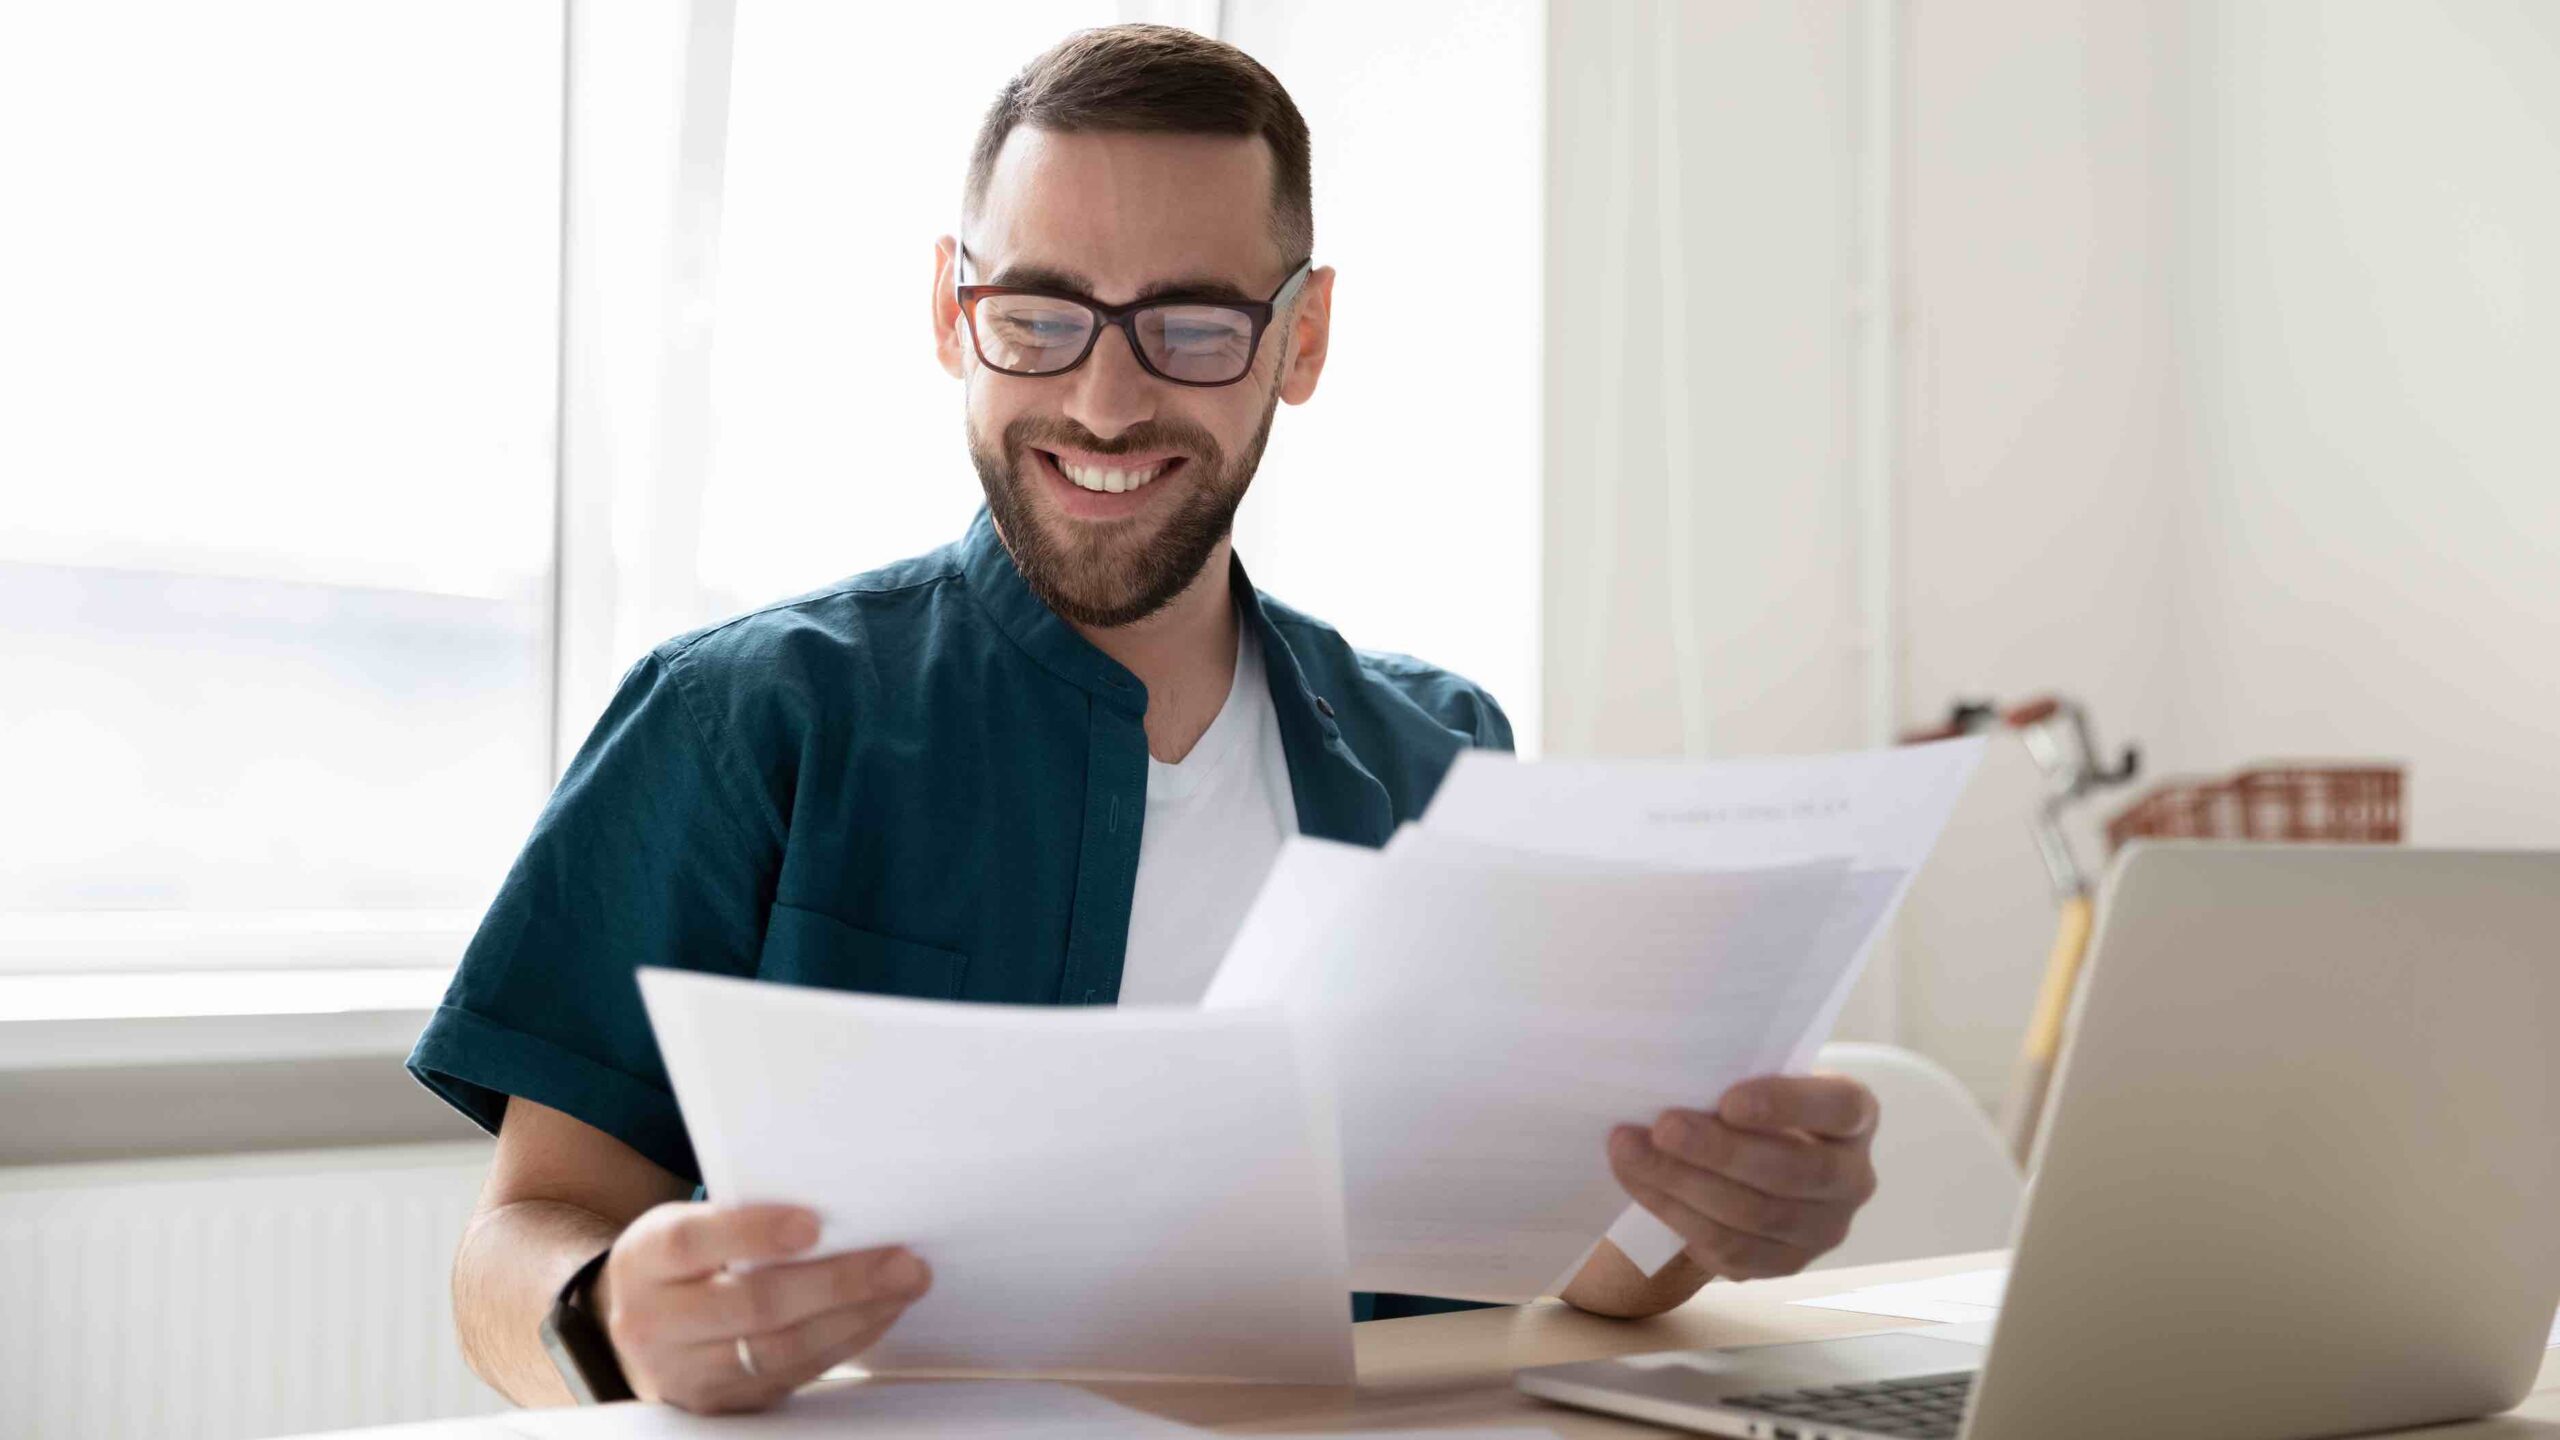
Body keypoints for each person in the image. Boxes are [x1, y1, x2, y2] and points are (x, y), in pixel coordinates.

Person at [410, 23, 1882, 1416]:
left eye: (1189, 325)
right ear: (952, 316)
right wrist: (609, 1318)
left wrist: (1714, 1213)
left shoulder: (1438, 756)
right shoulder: (746, 719)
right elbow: (520, 1240)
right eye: (1040, 317)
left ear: (1300, 342)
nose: (1105, 401)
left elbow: (1568, 1261)